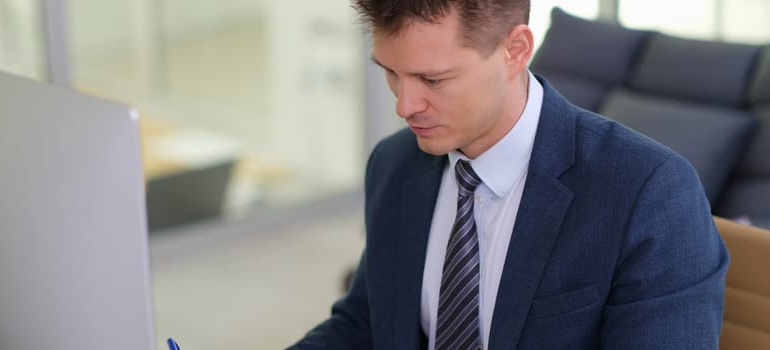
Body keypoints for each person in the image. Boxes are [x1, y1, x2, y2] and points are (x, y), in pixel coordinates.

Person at [290, 0, 729, 349]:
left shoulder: (647, 192)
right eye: (390, 72)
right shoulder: (394, 164)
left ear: (515, 51)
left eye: (433, 79)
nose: (404, 106)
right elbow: (365, 323)